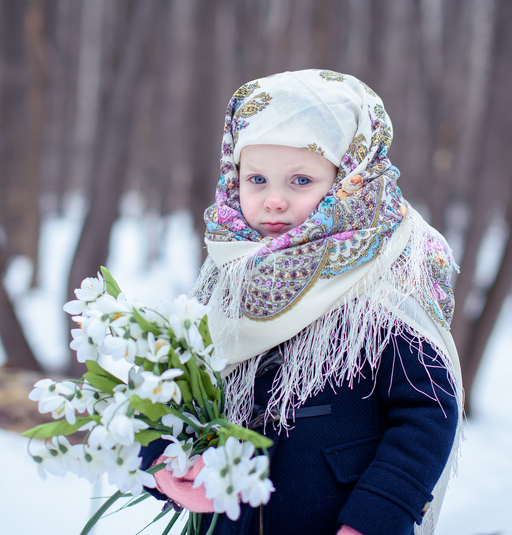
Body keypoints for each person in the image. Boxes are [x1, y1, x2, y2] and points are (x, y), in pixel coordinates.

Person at [140, 69, 462, 535]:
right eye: (256, 178)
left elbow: (428, 410)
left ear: (348, 179)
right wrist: (166, 464)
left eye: (300, 180)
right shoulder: (227, 273)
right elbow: (179, 390)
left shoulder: (379, 281)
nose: (273, 200)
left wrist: (376, 518)